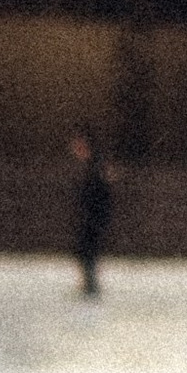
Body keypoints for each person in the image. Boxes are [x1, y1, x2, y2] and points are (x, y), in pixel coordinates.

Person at [69, 124, 114, 297]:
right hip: (92, 214)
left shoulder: (95, 166)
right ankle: (90, 284)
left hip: (95, 215)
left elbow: (101, 193)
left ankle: (91, 286)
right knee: (85, 250)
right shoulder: (93, 165)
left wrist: (95, 215)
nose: (74, 148)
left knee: (87, 249)